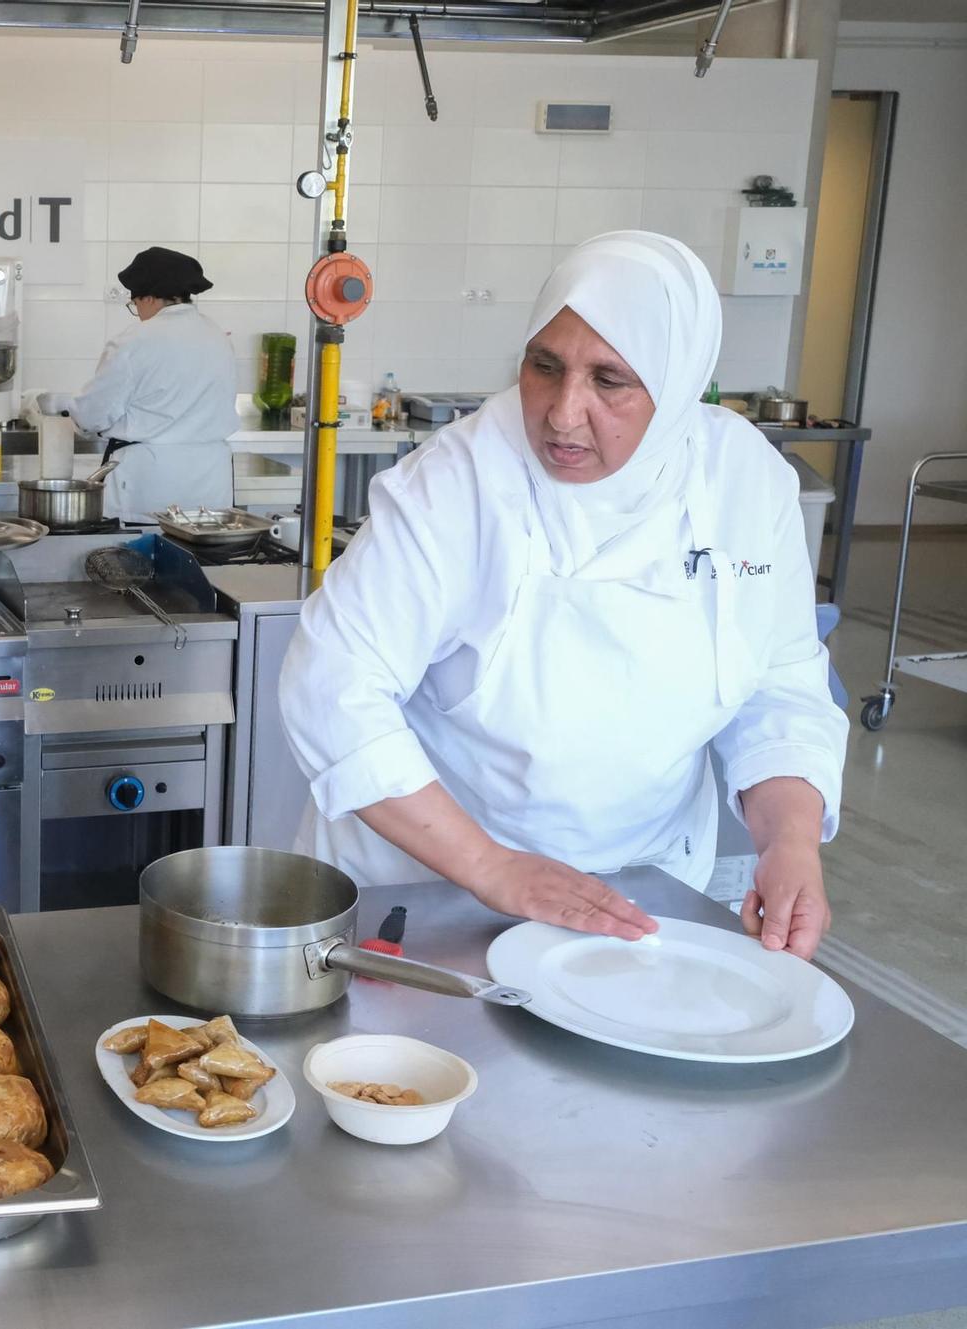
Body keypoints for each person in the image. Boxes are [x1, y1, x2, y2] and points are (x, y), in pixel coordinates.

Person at [279, 231, 847, 959]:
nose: (561, 412)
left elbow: (778, 686)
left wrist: (791, 842)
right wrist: (490, 867)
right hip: (425, 892)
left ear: (676, 387)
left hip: (643, 896)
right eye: (544, 366)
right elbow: (330, 685)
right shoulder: (458, 483)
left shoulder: (743, 481)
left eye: (610, 380)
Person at [36, 247, 236, 521]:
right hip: (211, 486)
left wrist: (63, 404)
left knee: (142, 560)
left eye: (136, 305)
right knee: (200, 562)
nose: (138, 312)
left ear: (150, 298)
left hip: (150, 485)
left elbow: (93, 416)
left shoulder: (135, 341)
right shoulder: (217, 337)